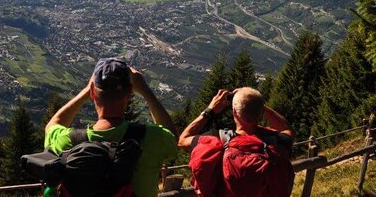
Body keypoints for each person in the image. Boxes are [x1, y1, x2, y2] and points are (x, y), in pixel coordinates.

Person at [44, 58, 178, 197]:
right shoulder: (151, 137)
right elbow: (173, 137)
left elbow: (52, 125)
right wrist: (145, 90)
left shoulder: (67, 141)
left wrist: (86, 91)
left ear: (92, 92)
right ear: (130, 92)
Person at [179, 88, 294, 197]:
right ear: (261, 112)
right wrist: (259, 106)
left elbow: (183, 140)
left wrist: (210, 110)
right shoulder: (276, 142)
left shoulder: (216, 140)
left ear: (234, 111)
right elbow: (286, 128)